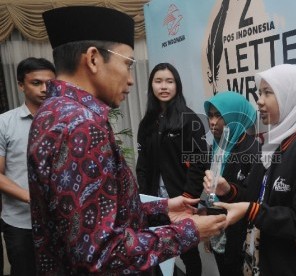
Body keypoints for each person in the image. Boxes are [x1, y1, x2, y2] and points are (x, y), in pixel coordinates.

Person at [27, 6, 226, 275]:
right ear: (94, 59)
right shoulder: (81, 126)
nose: (131, 80)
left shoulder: (52, 112)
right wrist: (188, 230)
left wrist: (163, 206)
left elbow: (91, 215)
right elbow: (100, 255)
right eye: (127, 64)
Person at [204, 64, 296, 276]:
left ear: (291, 97)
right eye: (259, 93)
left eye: (268, 92)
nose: (259, 101)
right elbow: (255, 196)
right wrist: (228, 190)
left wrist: (252, 211)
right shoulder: (273, 146)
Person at [136, 62, 209, 276]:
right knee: (156, 254)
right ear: (151, 87)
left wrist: (189, 197)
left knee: (189, 253)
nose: (164, 86)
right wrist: (143, 197)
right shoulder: (147, 123)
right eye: (158, 81)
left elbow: (199, 162)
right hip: (154, 203)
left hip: (181, 200)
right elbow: (143, 164)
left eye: (170, 81)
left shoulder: (188, 120)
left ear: (177, 86)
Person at [0, 57, 56, 276]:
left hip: (60, 222)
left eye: (49, 83)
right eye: (36, 83)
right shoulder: (4, 123)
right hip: (21, 224)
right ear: (21, 85)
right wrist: (31, 197)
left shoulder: (66, 121)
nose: (44, 89)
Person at [203, 91, 260, 276]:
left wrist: (228, 190)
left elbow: (254, 199)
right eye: (210, 115)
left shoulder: (253, 150)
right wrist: (208, 227)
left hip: (241, 238)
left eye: (219, 115)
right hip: (219, 230)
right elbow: (211, 190)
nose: (213, 122)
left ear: (235, 116)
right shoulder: (217, 146)